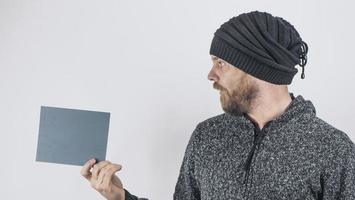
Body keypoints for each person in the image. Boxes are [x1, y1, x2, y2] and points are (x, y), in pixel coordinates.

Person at [81, 10, 355, 199]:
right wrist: (120, 197)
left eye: (221, 63)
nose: (211, 75)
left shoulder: (333, 150)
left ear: (257, 68)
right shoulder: (207, 136)